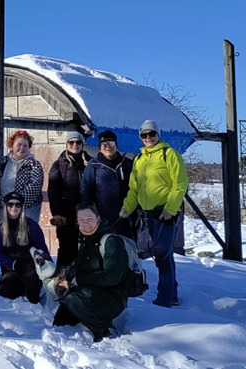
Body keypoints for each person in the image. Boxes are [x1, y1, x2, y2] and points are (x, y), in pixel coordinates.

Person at [120, 120, 188, 308]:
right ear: (140, 137)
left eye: (152, 134)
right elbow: (134, 189)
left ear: (158, 135)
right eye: (144, 135)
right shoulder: (139, 160)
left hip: (166, 212)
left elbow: (180, 184)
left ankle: (164, 298)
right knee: (165, 255)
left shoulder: (170, 155)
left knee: (161, 253)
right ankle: (172, 293)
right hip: (147, 214)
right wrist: (127, 207)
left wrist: (170, 209)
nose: (148, 138)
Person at [52, 203, 128, 342]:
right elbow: (78, 266)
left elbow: (112, 277)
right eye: (81, 219)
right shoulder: (84, 239)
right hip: (88, 291)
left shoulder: (110, 241)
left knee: (72, 299)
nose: (86, 223)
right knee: (60, 321)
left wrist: (77, 281)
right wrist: (65, 277)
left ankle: (102, 329)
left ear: (98, 218)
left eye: (89, 218)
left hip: (112, 296)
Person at [0, 192, 49, 303]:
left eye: (18, 205)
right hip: (11, 269)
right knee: (1, 295)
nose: (14, 207)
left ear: (22, 207)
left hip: (30, 268)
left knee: (33, 297)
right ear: (5, 206)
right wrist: (12, 264)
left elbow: (42, 248)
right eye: (10, 204)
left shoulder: (32, 225)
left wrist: (48, 266)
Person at [47, 132, 91, 267]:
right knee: (67, 248)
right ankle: (62, 280)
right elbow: (53, 192)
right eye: (71, 142)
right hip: (67, 214)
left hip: (87, 214)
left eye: (78, 142)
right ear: (66, 145)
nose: (75, 145)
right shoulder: (59, 165)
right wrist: (58, 214)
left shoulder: (90, 162)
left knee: (87, 249)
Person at [80, 130, 134, 239]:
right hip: (103, 218)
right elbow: (86, 189)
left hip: (126, 215)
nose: (108, 146)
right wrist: (91, 213)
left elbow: (136, 187)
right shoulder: (94, 165)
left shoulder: (126, 163)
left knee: (128, 248)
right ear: (100, 147)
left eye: (111, 143)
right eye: (104, 144)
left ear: (116, 145)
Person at [0, 130, 44, 222]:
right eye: (19, 145)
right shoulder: (2, 163)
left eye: (25, 146)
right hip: (3, 211)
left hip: (27, 213)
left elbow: (34, 187)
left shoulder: (34, 165)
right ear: (12, 145)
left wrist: (17, 203)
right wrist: (2, 202)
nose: (22, 148)